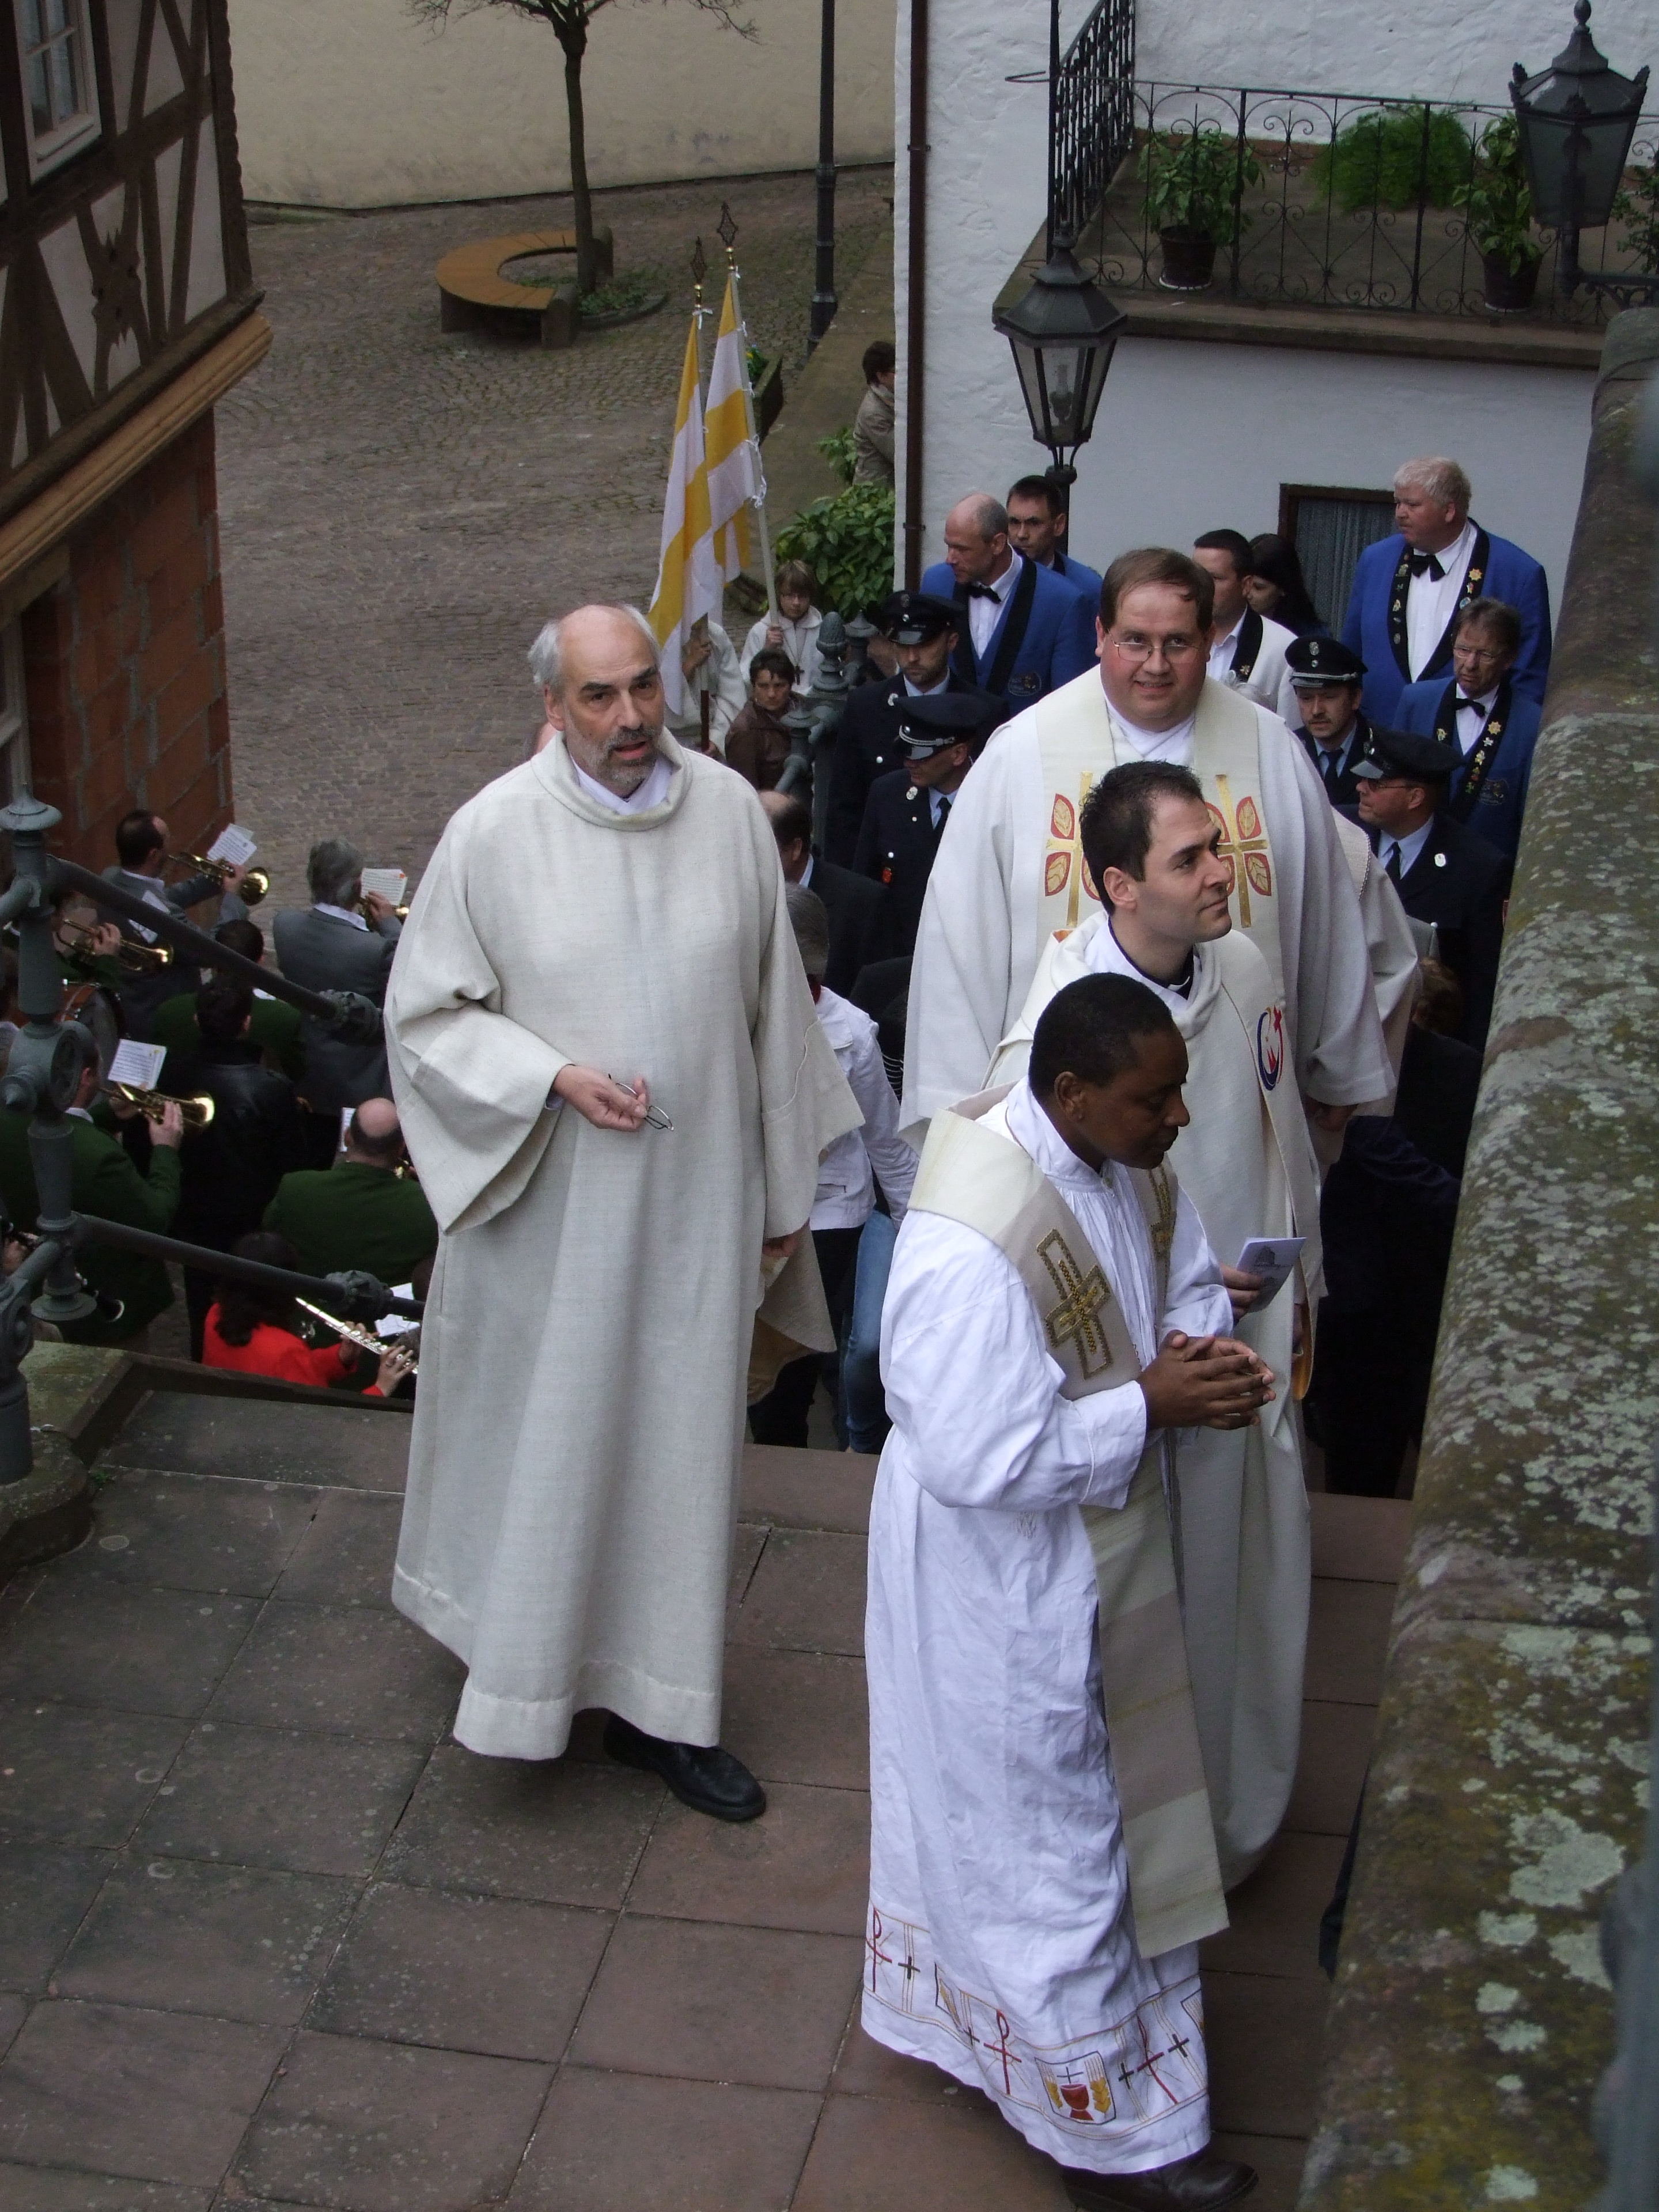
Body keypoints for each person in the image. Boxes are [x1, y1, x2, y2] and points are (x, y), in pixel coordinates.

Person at [384, 603, 858, 1820]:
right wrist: (549, 1076)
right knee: (551, 1440)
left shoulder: (731, 817)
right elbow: (427, 1018)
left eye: (644, 686)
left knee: (676, 1456)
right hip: (556, 1218)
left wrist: (783, 1191)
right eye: (598, 695)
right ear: (553, 706)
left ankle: (665, 1709)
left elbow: (774, 1012)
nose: (630, 716)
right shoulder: (493, 832)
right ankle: (522, 1670)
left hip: (697, 1206)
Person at [865, 973, 1272, 2211]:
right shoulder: (968, 1241)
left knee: (1097, 1810)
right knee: (1056, 1829)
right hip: (1003, 1578)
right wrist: (1150, 1405)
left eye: (1179, 1091)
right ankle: (1106, 2137)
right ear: (1072, 1093)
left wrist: (1197, 1351)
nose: (1180, 1119)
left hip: (1100, 1549)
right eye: (1158, 1100)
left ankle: (1083, 2066)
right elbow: (976, 1456)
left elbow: (1179, 1272)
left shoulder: (1125, 1154)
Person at [988, 763, 1321, 1888]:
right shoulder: (1065, 1026)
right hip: (1135, 1375)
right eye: (1192, 859)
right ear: (1120, 887)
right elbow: (1029, 1203)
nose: (1224, 872)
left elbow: (1279, 1133)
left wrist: (1294, 1281)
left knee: (1242, 1583)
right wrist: (1159, 1297)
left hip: (1243, 1331)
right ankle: (1143, 1857)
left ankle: (1233, 1814)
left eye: (1219, 847)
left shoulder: (1246, 966)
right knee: (1147, 1615)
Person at [904, 546, 1390, 1141]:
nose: (1155, 665)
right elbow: (960, 937)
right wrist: (957, 1106)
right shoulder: (1020, 755)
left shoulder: (1270, 752)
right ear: (1100, 635)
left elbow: (1324, 916)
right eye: (1135, 641)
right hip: (1069, 1111)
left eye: (1178, 643)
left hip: (1230, 1102)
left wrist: (1336, 1068)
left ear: (1209, 640)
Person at [749, 887, 916, 1446]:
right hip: (751, 1210)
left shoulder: (853, 1032)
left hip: (828, 1212)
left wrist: (916, 1229)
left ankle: (793, 1458)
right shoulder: (731, 1020)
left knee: (797, 1360)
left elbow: (887, 1141)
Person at [1342, 456, 1552, 726]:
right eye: (1398, 503)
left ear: (1449, 511)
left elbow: (1529, 679)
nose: (1400, 514)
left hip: (1468, 739)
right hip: (1380, 733)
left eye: (1412, 505)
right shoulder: (1375, 560)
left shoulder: (1517, 573)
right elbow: (1351, 655)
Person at [171, 974, 309, 1359]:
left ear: (197, 1021)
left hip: (195, 1210)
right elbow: (292, 1161)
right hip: (251, 1214)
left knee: (200, 1294)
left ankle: (205, 1356)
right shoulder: (272, 1087)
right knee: (257, 1297)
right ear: (246, 1023)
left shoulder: (173, 1073)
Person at [0, 1056, 183, 1344]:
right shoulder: (100, 1155)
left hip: (37, 1292)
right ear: (86, 1077)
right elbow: (155, 1218)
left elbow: (54, 1133)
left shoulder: (7, 1120)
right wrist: (166, 1150)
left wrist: (107, 1112)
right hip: (107, 1305)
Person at [1351, 727, 1509, 1049]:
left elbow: (1482, 988)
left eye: (1376, 783)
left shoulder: (1478, 869)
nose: (1360, 788)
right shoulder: (1344, 835)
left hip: (1421, 1048)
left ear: (1415, 798)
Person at [824, 590, 1003, 866]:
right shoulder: (865, 707)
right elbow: (844, 811)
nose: (911, 657)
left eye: (924, 645)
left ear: (952, 641)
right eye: (902, 645)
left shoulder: (985, 712)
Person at [272, 839, 402, 1166]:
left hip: (309, 1070)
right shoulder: (375, 949)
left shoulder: (284, 926)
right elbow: (408, 979)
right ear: (358, 887)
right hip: (360, 1076)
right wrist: (390, 926)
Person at [1392, 599, 1540, 866]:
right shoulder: (1415, 701)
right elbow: (1391, 788)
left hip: (1488, 875)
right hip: (1413, 868)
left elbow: (1529, 821)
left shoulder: (1532, 723)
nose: (1470, 664)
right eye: (1463, 650)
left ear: (1509, 659)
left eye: (1485, 655)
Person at [921, 493, 1097, 706]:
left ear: (997, 544)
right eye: (949, 546)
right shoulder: (936, 583)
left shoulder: (1063, 602)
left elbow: (1070, 702)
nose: (950, 559)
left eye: (962, 549)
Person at [853, 692, 991, 961]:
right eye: (906, 751)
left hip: (969, 958)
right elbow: (865, 885)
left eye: (921, 755)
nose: (909, 762)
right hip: (899, 957)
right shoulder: (887, 794)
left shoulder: (993, 798)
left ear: (958, 753)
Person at [203, 1230, 414, 1397]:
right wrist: (381, 1387)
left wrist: (340, 1357)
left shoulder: (217, 1313)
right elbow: (324, 1421)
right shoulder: (286, 1351)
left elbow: (279, 1370)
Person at [103, 809, 249, 1040]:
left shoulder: (110, 878)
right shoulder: (157, 913)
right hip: (165, 1016)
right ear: (153, 855)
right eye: (167, 838)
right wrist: (232, 896)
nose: (171, 843)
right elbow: (212, 950)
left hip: (136, 1001)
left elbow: (163, 897)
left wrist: (212, 878)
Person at [263, 1097, 437, 1286]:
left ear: (347, 1137)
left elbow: (269, 1238)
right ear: (401, 1147)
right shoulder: (428, 1205)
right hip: (387, 1305)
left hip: (308, 1302)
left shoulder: (294, 1187)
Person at [759, 790, 883, 997]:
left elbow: (873, 995)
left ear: (795, 849)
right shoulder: (736, 899)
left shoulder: (862, 904)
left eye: (758, 848)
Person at [153, 917, 305, 1080]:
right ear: (260, 961)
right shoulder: (286, 1018)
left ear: (213, 959)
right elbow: (297, 1073)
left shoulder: (169, 1011)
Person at [1193, 529, 1298, 726]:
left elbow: (1289, 733)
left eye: (1215, 578)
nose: (1202, 588)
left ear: (1246, 585)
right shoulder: (1173, 637)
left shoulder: (1282, 648)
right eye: (1196, 577)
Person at [1285, 635, 1373, 808]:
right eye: (1306, 698)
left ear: (1355, 698)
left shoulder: (1382, 750)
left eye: (1329, 697)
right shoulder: (1286, 750)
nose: (1317, 710)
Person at [1006, 475, 1103, 601]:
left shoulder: (1086, 588)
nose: (1022, 534)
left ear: (1059, 525)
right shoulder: (987, 580)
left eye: (1034, 523)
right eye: (1014, 522)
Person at [740, 559, 823, 696]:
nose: (796, 603)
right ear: (779, 596)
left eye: (802, 596)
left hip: (813, 701)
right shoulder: (760, 631)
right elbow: (744, 680)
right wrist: (766, 651)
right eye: (790, 595)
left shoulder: (821, 630)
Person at [722, 647, 797, 790]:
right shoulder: (745, 731)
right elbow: (746, 789)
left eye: (779, 686)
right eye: (763, 686)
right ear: (754, 686)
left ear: (790, 685)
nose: (771, 694)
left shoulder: (801, 706)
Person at [1244, 533, 1327, 638]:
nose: (1248, 593)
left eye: (1258, 587)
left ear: (1283, 588)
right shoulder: (1231, 623)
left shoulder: (1309, 636)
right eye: (1244, 584)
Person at [853, 340, 896, 486]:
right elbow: (898, 453)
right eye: (896, 371)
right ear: (881, 376)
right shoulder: (873, 414)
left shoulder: (891, 396)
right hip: (875, 488)